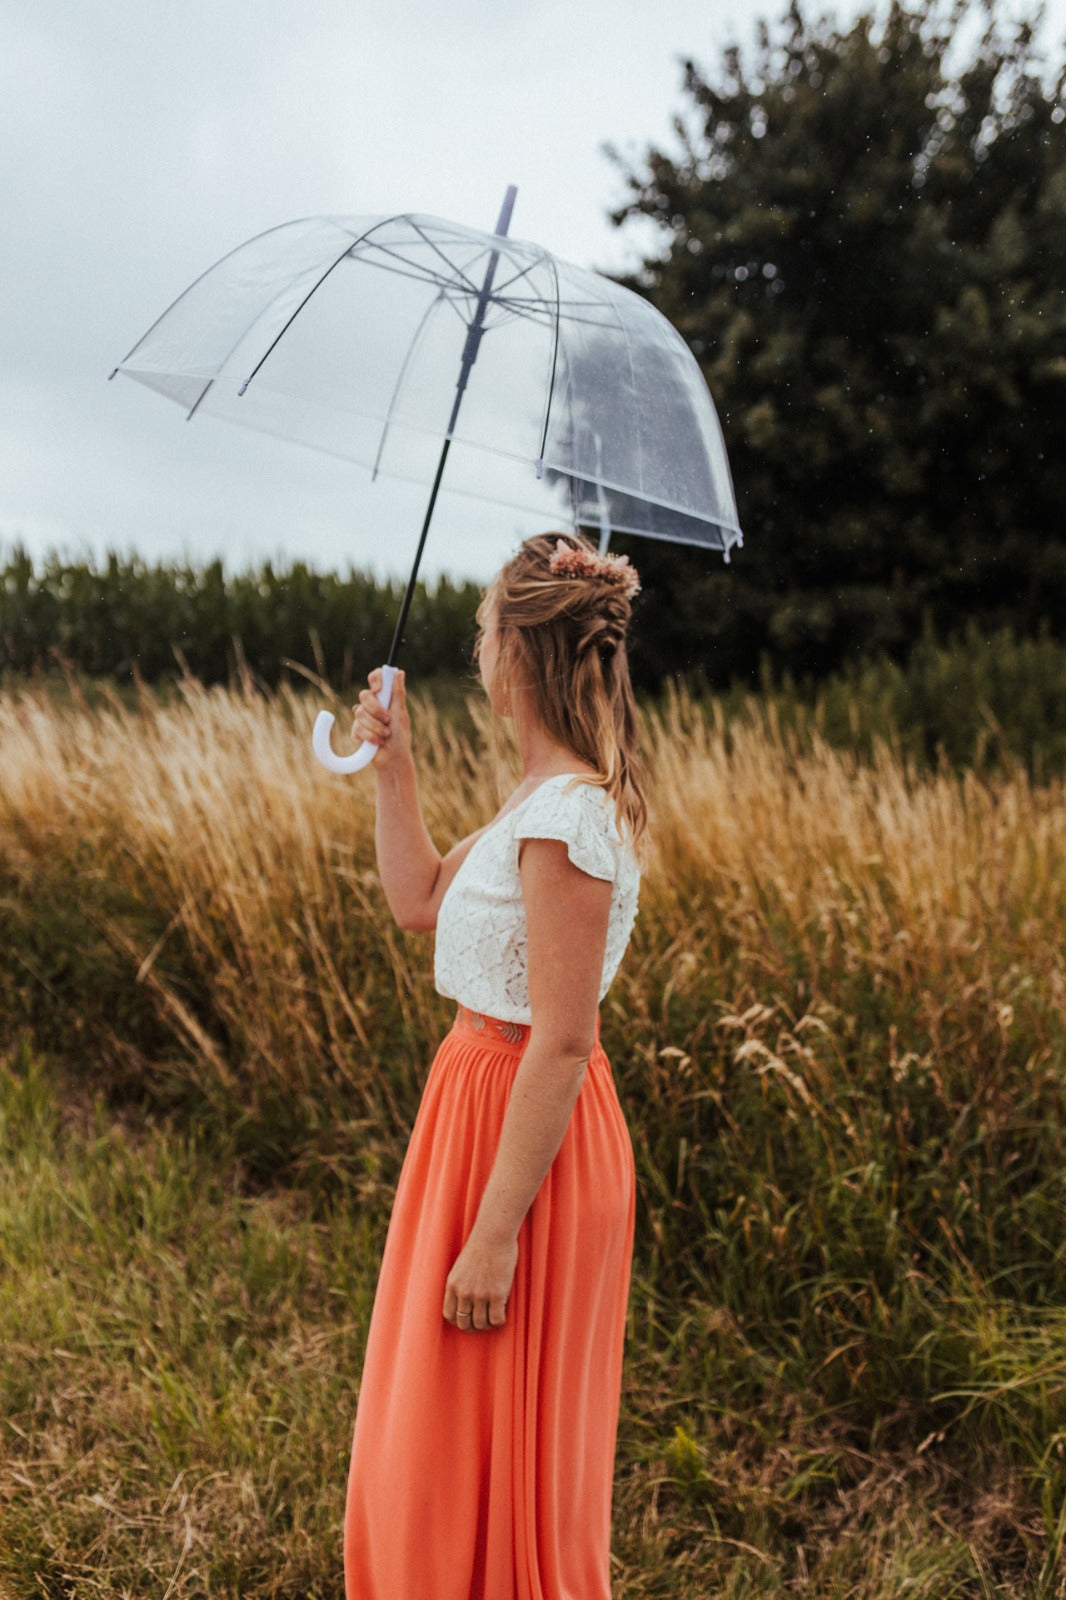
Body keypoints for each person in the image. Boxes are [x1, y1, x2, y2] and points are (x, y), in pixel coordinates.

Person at [342, 531, 647, 1600]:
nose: (478, 652)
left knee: (486, 1425)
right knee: (443, 1420)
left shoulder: (568, 820)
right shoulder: (533, 803)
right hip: (472, 1109)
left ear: (518, 655)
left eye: (484, 633)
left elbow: (563, 1040)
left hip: (526, 1141)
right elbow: (417, 900)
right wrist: (397, 763)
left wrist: (495, 1232)